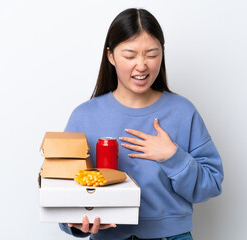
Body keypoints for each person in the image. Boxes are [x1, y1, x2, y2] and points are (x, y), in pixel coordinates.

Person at [59, 8, 224, 240]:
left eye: (151, 54)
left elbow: (212, 184)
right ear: (111, 56)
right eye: (130, 55)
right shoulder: (84, 116)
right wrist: (75, 224)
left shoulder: (183, 112)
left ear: (162, 54)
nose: (141, 65)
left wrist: (173, 156)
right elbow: (61, 190)